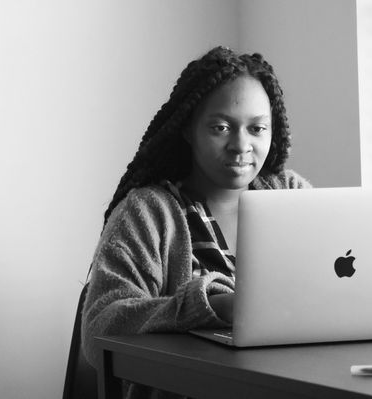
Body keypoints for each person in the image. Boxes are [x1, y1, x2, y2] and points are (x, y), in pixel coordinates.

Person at [81, 46, 312, 399]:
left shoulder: (289, 193)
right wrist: (210, 307)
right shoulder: (149, 212)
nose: (241, 145)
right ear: (189, 129)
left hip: (288, 381)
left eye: (257, 128)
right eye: (221, 127)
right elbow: (101, 326)